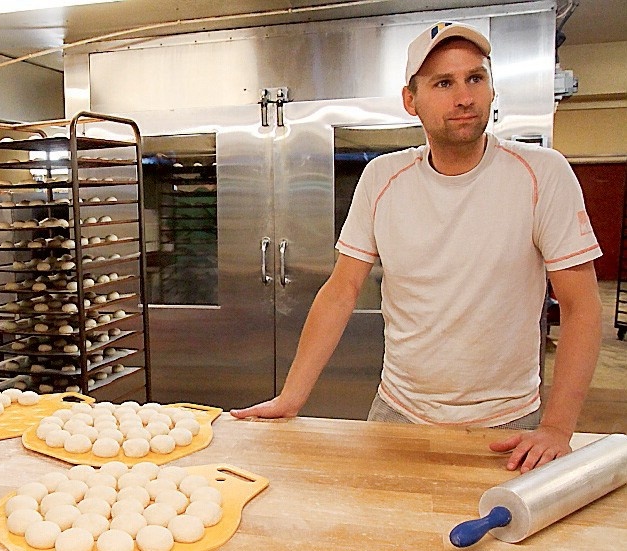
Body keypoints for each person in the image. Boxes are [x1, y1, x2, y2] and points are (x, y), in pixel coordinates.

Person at [231, 22, 602, 473]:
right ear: (411, 101)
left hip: (506, 425)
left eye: (475, 78)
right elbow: (341, 290)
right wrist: (291, 398)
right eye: (443, 83)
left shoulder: (543, 174)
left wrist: (558, 427)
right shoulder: (382, 179)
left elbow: (581, 306)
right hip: (397, 413)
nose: (464, 97)